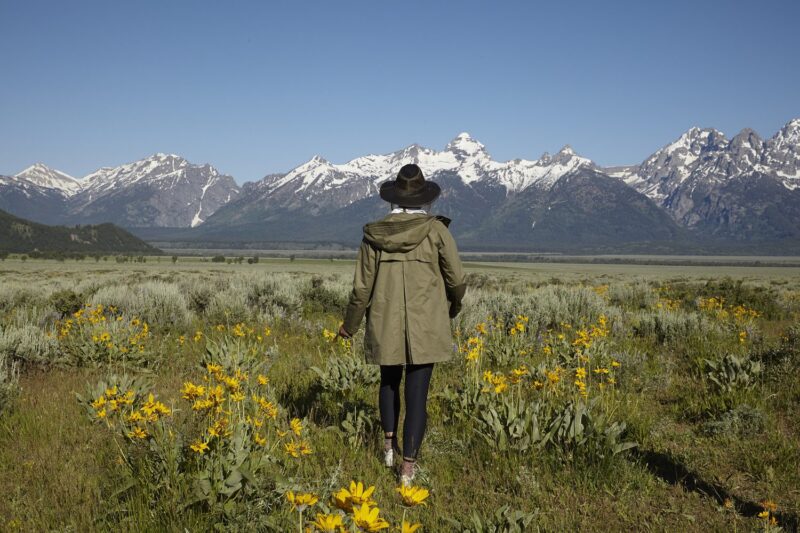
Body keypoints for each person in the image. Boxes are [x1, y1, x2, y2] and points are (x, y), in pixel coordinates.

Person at [338, 163, 466, 486]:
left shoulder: (375, 235)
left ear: (393, 199)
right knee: (417, 396)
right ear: (424, 199)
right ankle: (408, 470)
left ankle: (388, 448)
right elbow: (458, 280)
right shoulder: (437, 232)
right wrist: (451, 308)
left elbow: (361, 289)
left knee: (388, 383)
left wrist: (349, 326)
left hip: (384, 323)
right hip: (427, 327)